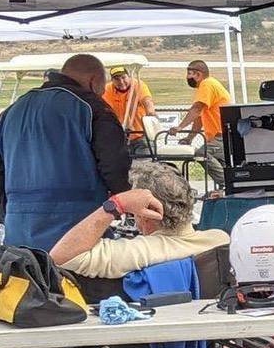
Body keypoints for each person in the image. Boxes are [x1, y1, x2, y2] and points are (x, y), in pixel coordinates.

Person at [0, 52, 130, 251]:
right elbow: (115, 166)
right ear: (94, 81)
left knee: (30, 281)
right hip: (77, 228)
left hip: (19, 230)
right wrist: (124, 203)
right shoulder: (92, 108)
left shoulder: (12, 110)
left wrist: (14, 211)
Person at [48, 159, 228, 286]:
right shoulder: (220, 240)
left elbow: (61, 257)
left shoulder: (138, 252)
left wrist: (116, 205)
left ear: (146, 214)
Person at [173, 60, 233, 196]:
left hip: (220, 136)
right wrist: (189, 137)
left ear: (198, 74)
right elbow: (199, 117)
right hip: (219, 136)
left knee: (202, 153)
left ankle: (227, 184)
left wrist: (179, 127)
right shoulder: (208, 86)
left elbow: (196, 109)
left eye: (189, 74)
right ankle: (229, 185)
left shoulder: (207, 84)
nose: (187, 78)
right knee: (224, 165)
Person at [102, 66, 158, 158]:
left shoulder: (138, 85)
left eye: (123, 77)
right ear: (112, 80)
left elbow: (147, 101)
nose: (121, 82)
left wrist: (151, 113)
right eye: (117, 79)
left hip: (142, 136)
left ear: (129, 77)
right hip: (120, 138)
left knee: (144, 165)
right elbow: (103, 108)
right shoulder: (108, 89)